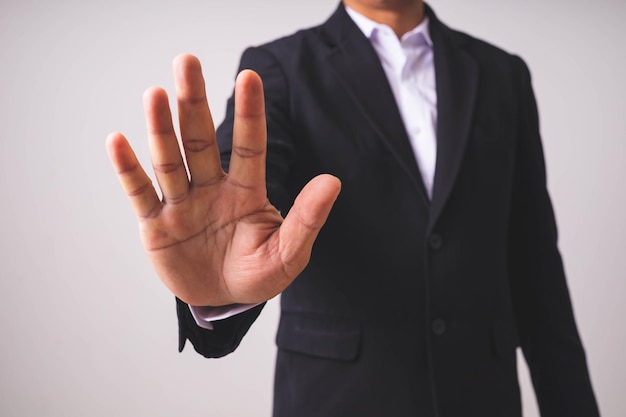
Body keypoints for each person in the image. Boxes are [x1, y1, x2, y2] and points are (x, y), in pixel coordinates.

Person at [106, 1, 600, 416]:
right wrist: (215, 292)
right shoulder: (279, 69)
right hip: (339, 399)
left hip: (481, 397)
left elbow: (536, 269)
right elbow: (243, 187)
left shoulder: (501, 75)